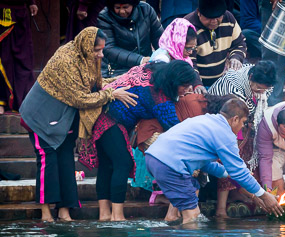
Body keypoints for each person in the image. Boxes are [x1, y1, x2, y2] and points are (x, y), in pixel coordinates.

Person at [19, 27, 137, 222]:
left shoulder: (87, 59)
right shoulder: (65, 60)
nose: (100, 55)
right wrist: (111, 93)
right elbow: (80, 98)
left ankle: (65, 211)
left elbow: (94, 85)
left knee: (66, 161)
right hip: (40, 117)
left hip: (64, 120)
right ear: (85, 45)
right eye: (96, 50)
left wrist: (123, 79)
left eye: (101, 50)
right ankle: (46, 212)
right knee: (48, 161)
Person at [145, 98, 284, 224]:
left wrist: (225, 173)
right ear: (235, 119)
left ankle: (171, 234)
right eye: (243, 122)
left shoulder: (207, 120)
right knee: (192, 217)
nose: (242, 127)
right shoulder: (225, 133)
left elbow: (204, 162)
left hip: (153, 157)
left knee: (190, 192)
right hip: (169, 165)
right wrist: (264, 195)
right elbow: (239, 171)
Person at [91, 60, 197, 221]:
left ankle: (105, 214)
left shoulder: (154, 71)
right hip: (110, 121)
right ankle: (117, 216)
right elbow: (175, 128)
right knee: (123, 163)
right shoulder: (158, 96)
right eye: (185, 85)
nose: (187, 90)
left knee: (108, 165)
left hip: (102, 115)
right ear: (174, 82)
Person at [208, 60, 277, 217]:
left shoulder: (264, 84)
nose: (261, 93)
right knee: (230, 158)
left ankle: (237, 192)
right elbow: (239, 111)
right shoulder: (234, 83)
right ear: (251, 77)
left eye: (264, 89)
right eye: (258, 88)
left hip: (243, 121)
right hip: (222, 119)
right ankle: (221, 208)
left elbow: (254, 109)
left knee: (249, 148)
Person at [184, 0, 247, 90]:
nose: (214, 21)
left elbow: (240, 43)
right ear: (199, 13)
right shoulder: (188, 26)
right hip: (198, 85)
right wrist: (197, 84)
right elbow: (188, 61)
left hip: (221, 82)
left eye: (218, 17)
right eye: (209, 18)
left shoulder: (228, 18)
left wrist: (236, 57)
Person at [97, 0, 163, 77]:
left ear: (133, 4)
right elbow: (109, 48)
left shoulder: (146, 10)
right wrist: (140, 60)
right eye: (117, 7)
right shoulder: (105, 17)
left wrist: (163, 56)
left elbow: (159, 39)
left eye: (125, 7)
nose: (122, 11)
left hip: (148, 66)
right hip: (120, 71)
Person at [0, 0, 38, 114]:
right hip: (2, 13)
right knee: (4, 59)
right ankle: (2, 101)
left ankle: (21, 101)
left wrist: (32, 2)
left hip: (20, 15)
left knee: (24, 60)